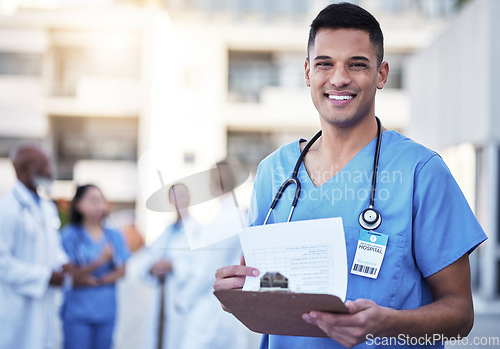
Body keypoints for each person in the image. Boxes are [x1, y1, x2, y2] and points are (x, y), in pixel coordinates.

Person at [213, 3, 487, 349]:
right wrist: (238, 296)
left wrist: (389, 324)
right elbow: (265, 291)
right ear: (307, 72)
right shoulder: (274, 173)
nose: (339, 78)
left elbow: (461, 314)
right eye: (324, 64)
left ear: (382, 74)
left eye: (357, 65)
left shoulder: (421, 172)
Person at [0, 143, 70, 349]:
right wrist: (45, 276)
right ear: (23, 170)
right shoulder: (7, 208)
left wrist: (63, 263)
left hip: (45, 304)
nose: (50, 171)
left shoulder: (47, 206)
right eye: (44, 165)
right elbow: (2, 263)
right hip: (18, 306)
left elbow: (53, 246)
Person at [60, 184, 130, 349]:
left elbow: (122, 270)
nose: (99, 205)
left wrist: (97, 280)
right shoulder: (69, 235)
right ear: (78, 205)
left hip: (106, 311)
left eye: (101, 201)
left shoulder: (114, 235)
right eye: (93, 201)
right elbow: (69, 274)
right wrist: (100, 262)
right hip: (77, 313)